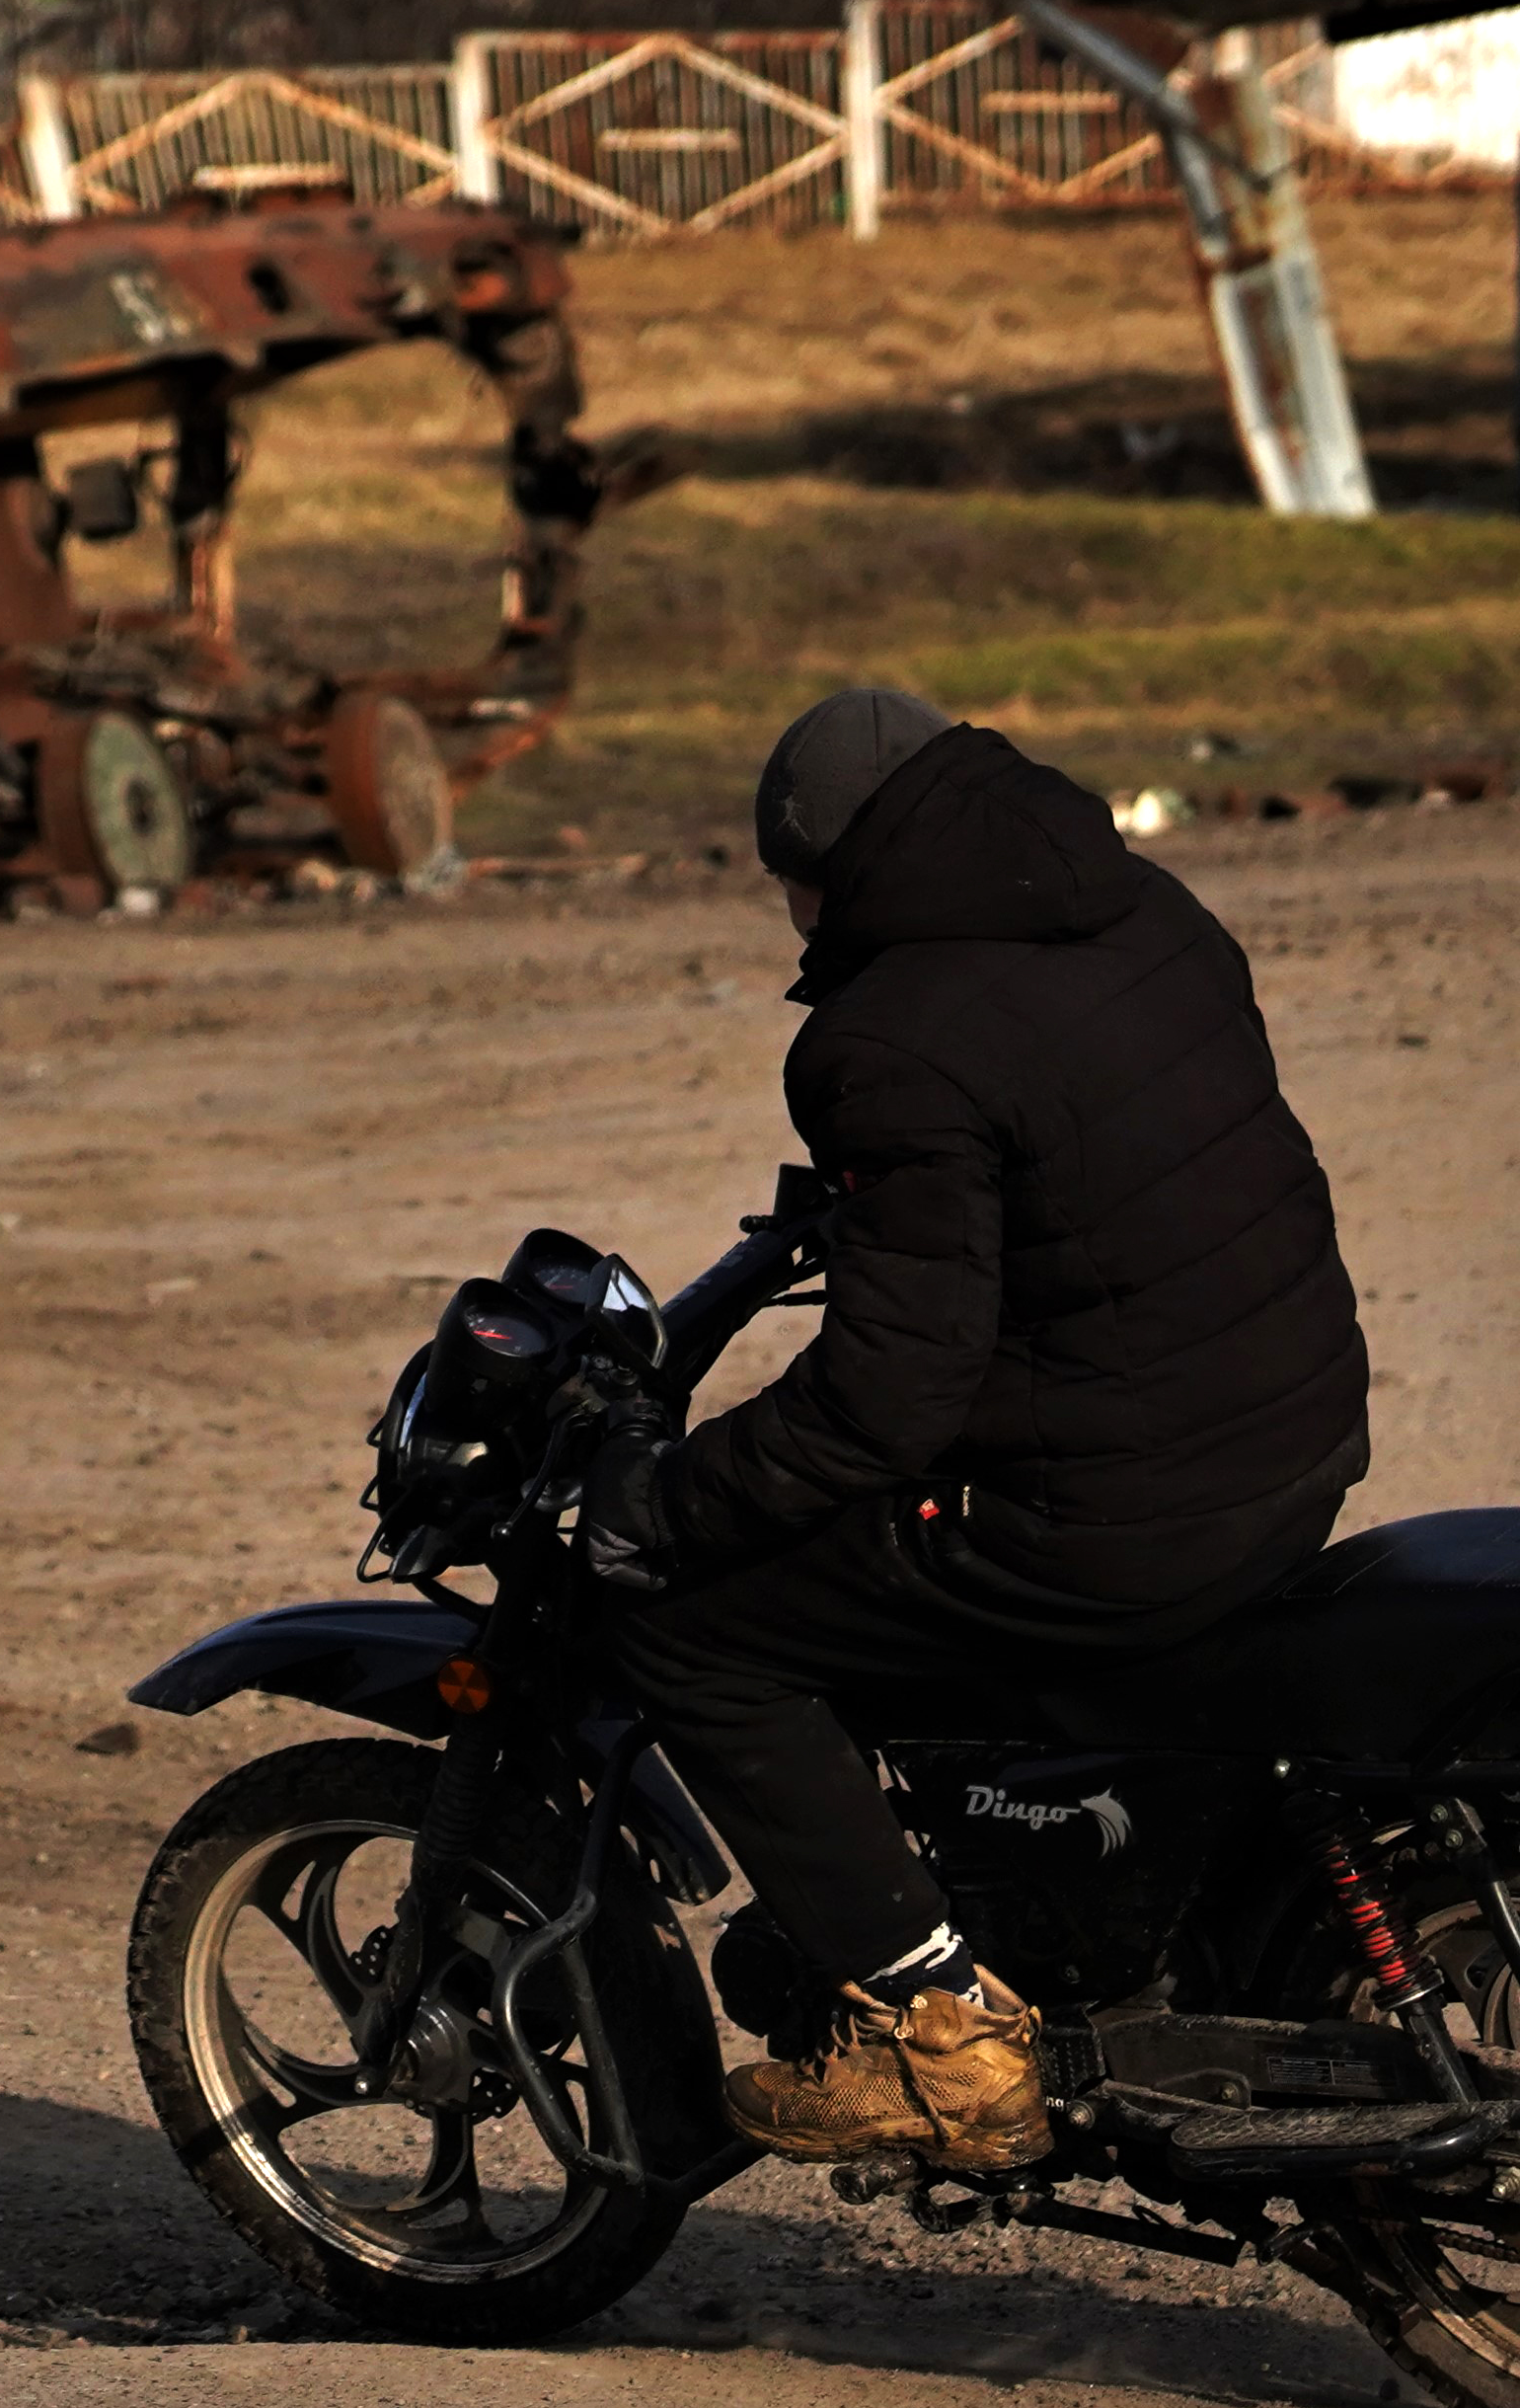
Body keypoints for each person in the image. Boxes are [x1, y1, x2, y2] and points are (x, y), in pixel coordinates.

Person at [577, 687, 1371, 2173]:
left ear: (830, 869)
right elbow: (1095, 1171)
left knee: (696, 1631)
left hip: (1123, 1512)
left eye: (787, 885)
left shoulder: (884, 1041)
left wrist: (674, 1499)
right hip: (1290, 1430)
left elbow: (886, 1402)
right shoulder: (1142, 906)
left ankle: (935, 2035)